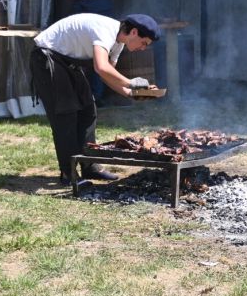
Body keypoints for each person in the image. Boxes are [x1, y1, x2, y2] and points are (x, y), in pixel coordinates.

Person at [30, 13, 161, 184]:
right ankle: (69, 173)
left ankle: (90, 167)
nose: (143, 48)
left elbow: (107, 75)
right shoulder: (105, 30)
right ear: (134, 32)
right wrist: (132, 83)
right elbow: (101, 67)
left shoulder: (118, 43)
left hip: (69, 63)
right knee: (66, 116)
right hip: (47, 58)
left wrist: (132, 94)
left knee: (88, 111)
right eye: (144, 43)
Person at [62, 0, 126, 102]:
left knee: (103, 55)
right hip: (81, 16)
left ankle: (98, 96)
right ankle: (81, 95)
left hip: (104, 16)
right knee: (80, 54)